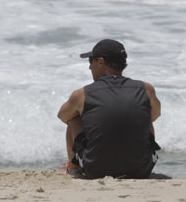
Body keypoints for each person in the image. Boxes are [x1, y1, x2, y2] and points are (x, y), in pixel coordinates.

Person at [58, 39, 162, 179]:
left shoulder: (82, 94)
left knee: (73, 117)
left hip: (95, 171)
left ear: (101, 62)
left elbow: (63, 116)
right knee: (145, 115)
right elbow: (155, 115)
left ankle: (73, 167)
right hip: (141, 170)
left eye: (91, 61)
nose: (89, 67)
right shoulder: (146, 89)